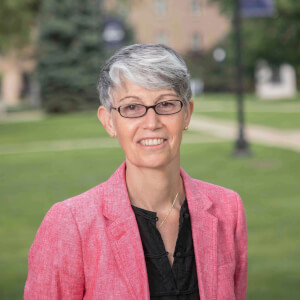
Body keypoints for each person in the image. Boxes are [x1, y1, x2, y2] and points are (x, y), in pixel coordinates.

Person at [24, 44, 247, 300]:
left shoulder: (228, 210)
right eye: (132, 108)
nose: (152, 123)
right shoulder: (70, 224)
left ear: (187, 114)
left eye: (165, 104)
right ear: (108, 121)